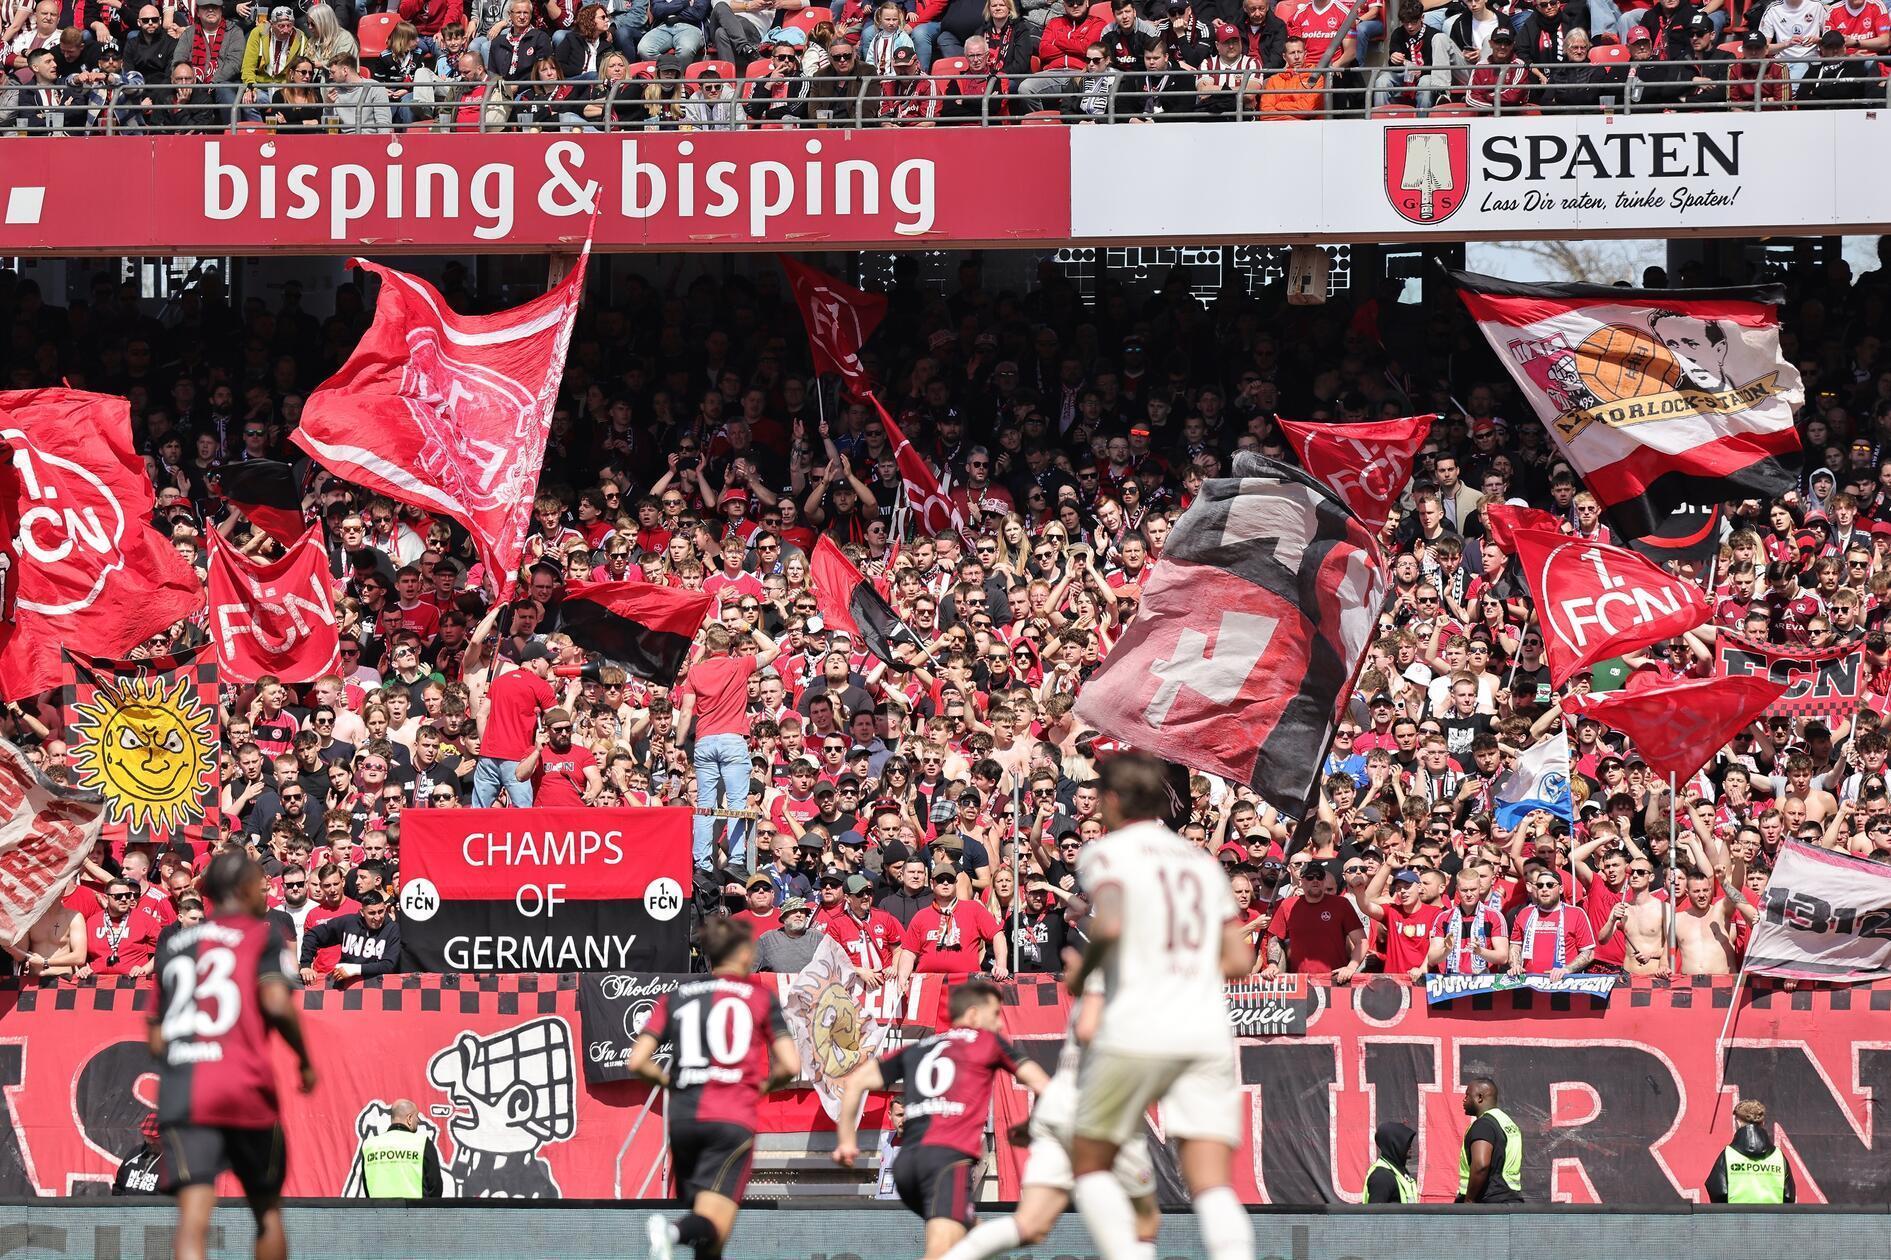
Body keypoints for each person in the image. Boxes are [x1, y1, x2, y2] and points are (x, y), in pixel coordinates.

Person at [1066, 753, 1255, 1260]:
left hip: (1140, 1024)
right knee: (1212, 1184)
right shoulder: (1199, 862)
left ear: (1109, 800)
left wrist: (1081, 973)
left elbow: (1109, 924)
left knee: (1089, 1164)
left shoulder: (1107, 853)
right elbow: (1239, 959)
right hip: (1206, 1028)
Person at [151, 851, 316, 1260]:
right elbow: (277, 1004)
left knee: (192, 1220)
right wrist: (304, 1060)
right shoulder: (260, 934)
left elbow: (156, 1036)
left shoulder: (174, 944)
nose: (266, 891)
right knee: (266, 1213)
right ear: (243, 890)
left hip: (185, 1090)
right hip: (243, 1085)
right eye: (261, 885)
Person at [939, 975, 1157, 1260]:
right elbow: (1090, 1028)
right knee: (1145, 1219)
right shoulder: (1127, 969)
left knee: (1029, 1226)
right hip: (1100, 1113)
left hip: (1060, 1113)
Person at [832, 979, 1050, 1260]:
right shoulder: (986, 1040)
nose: (998, 1024)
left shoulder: (920, 1047)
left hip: (907, 1165)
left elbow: (856, 1082)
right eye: (994, 1015)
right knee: (940, 1253)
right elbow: (1044, 1084)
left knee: (971, 1242)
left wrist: (847, 1141)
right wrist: (1031, 1127)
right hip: (946, 1163)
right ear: (972, 1015)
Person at [630, 918, 800, 1260]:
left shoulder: (676, 996)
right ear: (742, 953)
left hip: (683, 1119)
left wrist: (673, 1083)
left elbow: (637, 1062)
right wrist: (762, 1086)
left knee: (709, 1241)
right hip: (729, 1118)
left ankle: (680, 1232)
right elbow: (791, 1066)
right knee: (714, 1224)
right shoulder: (759, 997)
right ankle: (671, 1230)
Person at [678, 624, 781, 870]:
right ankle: (735, 859)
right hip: (733, 740)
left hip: (705, 740)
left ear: (709, 646)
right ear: (730, 646)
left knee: (705, 805)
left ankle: (701, 861)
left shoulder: (695, 672)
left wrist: (680, 743)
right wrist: (751, 628)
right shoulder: (740, 664)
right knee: (736, 803)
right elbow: (774, 649)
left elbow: (685, 712)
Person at [472, 642, 563, 808]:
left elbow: (480, 715)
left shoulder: (499, 681)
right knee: (523, 813)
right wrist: (568, 694)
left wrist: (486, 747)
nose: (549, 666)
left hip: (488, 756)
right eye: (547, 661)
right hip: (517, 758)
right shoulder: (540, 685)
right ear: (535, 662)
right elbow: (558, 719)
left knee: (478, 811)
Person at [1704, 1099, 1795, 1203]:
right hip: (1772, 1218)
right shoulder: (1778, 1157)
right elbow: (1789, 1196)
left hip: (1735, 1218)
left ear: (1737, 1123)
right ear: (1763, 1123)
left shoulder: (1728, 1155)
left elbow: (1717, 1192)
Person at [356, 1099, 444, 1198]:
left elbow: (367, 1185)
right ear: (409, 1118)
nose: (418, 1120)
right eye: (416, 1116)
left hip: (379, 1212)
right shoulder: (422, 1143)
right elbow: (435, 1188)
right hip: (416, 1212)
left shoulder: (369, 1146)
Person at [1457, 1078, 1524, 1204]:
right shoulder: (1507, 1122)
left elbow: (1481, 1165)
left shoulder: (1483, 1125)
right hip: (1511, 1199)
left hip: (1488, 1203)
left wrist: (1469, 1200)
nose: (1464, 1099)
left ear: (1479, 1098)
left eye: (1467, 1095)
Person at [754, 896, 821, 971]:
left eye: (802, 911)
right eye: (793, 911)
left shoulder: (818, 938)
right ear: (783, 918)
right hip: (778, 982)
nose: (799, 915)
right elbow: (748, 972)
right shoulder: (767, 940)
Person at [1363, 1121, 1417, 1203]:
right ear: (1394, 1144)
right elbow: (1375, 1214)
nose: (1410, 1146)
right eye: (1405, 1142)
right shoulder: (1381, 1177)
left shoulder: (1399, 1173)